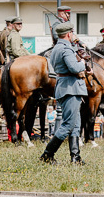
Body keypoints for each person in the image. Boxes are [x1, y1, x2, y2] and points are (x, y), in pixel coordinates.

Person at [40, 22, 91, 164]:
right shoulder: (66, 49)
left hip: (66, 87)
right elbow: (75, 67)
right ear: (69, 34)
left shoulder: (58, 47)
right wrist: (84, 64)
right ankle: (47, 154)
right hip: (71, 88)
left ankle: (75, 157)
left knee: (75, 124)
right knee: (68, 125)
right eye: (73, 33)